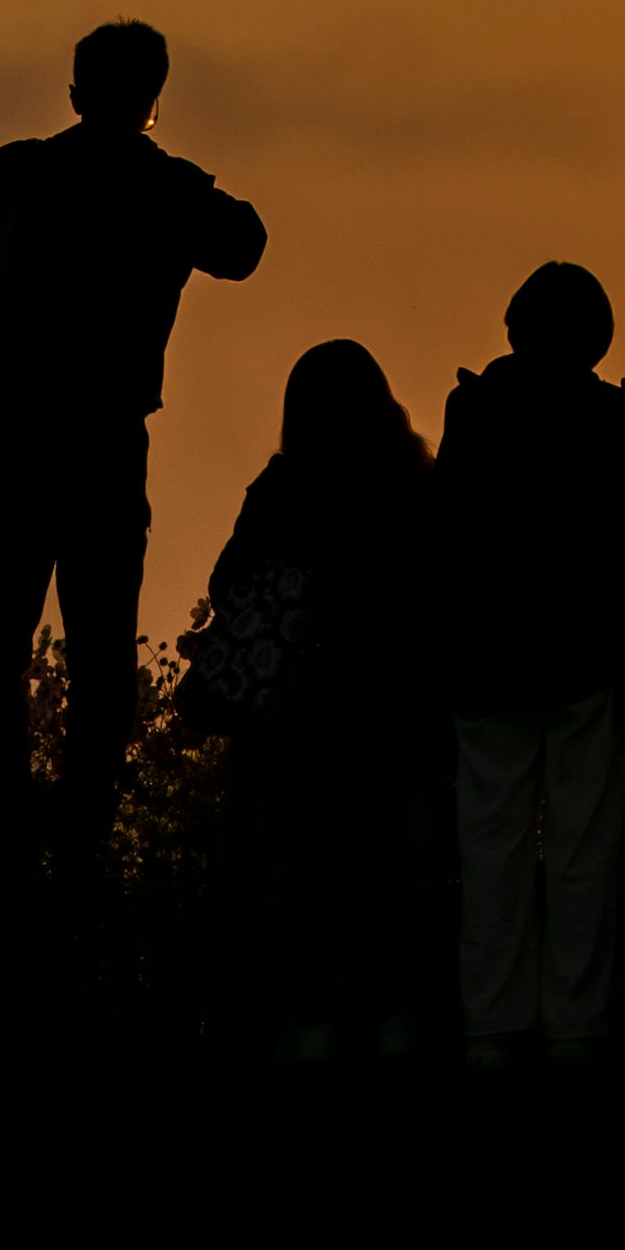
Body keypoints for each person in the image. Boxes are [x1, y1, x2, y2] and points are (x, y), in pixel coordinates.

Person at [0, 19, 265, 869]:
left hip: (11, 440)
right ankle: (82, 838)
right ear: (154, 99)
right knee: (102, 652)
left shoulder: (21, 169)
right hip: (107, 446)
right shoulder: (170, 187)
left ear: (74, 93)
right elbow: (245, 244)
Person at [433, 261, 625, 1069]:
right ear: (596, 337)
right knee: (582, 847)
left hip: (489, 654)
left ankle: (492, 1026)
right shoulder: (610, 414)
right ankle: (577, 1026)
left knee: (490, 841)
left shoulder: (473, 408)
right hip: (584, 652)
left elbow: (448, 522)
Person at [188, 340, 447, 1054]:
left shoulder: (284, 487)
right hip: (397, 712)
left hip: (298, 718)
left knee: (306, 876)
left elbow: (228, 583)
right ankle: (396, 1013)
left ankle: (314, 1016)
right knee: (392, 872)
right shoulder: (414, 484)